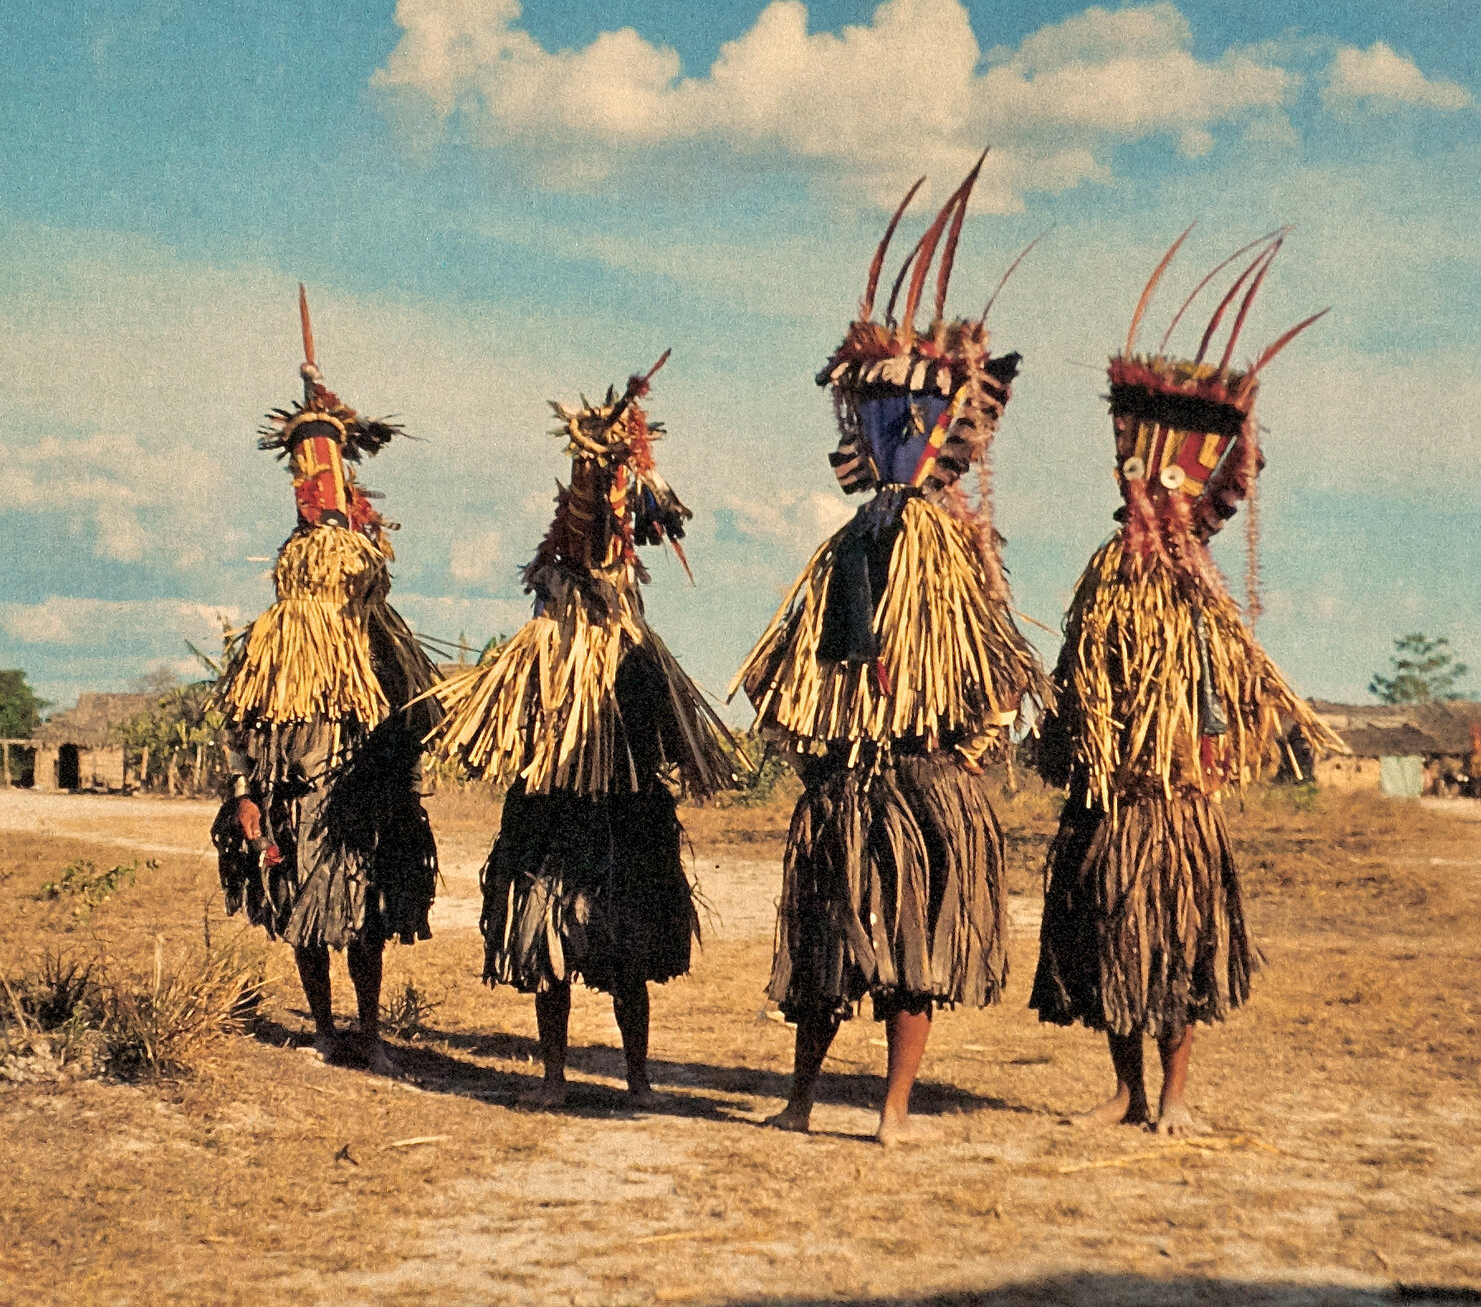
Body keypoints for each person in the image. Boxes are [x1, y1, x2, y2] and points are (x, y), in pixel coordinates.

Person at [731, 158, 1048, 1144]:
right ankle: (799, 1095)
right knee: (827, 948)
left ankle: (893, 1109)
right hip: (846, 783)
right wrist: (812, 745)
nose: (883, 437)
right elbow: (791, 676)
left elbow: (996, 674)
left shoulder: (954, 556)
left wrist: (968, 746)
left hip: (923, 783)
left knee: (912, 951)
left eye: (900, 419)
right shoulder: (849, 549)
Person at [1030, 232, 1344, 1133]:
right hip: (1108, 799)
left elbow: (1234, 693)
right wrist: (1072, 744)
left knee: (1172, 951)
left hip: (1175, 802)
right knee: (1108, 950)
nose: (1137, 491)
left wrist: (1203, 754)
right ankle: (1125, 1090)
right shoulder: (1105, 574)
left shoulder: (1198, 590)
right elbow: (1076, 671)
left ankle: (1171, 1100)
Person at [424, 356, 735, 1109]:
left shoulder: (635, 646)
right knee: (550, 950)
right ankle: (556, 1079)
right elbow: (505, 724)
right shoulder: (544, 643)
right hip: (553, 810)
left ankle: (636, 1079)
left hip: (624, 812)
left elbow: (668, 734)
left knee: (626, 956)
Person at [212, 286, 441, 1076]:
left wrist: (400, 778)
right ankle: (321, 1029)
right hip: (289, 796)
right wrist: (244, 792)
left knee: (366, 919)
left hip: (361, 798)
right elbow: (238, 722)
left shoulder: (380, 638)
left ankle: (371, 1032)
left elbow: (415, 715)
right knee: (304, 917)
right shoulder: (274, 638)